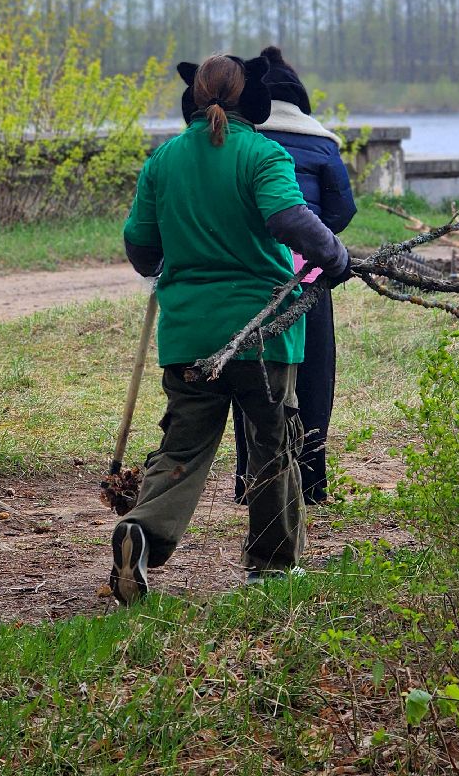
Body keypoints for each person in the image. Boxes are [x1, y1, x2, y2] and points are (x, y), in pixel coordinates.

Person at [110, 53, 350, 604]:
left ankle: (141, 533)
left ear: (195, 99)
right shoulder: (264, 154)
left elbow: (142, 249)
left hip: (189, 334)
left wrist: (172, 258)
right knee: (273, 445)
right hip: (261, 335)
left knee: (183, 448)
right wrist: (337, 259)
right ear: (252, 101)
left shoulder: (163, 160)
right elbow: (289, 220)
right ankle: (270, 567)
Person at [233, 45, 357, 505]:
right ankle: (311, 483)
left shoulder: (242, 143)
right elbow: (342, 212)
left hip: (250, 280)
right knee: (313, 381)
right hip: (308, 280)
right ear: (302, 100)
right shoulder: (322, 144)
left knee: (250, 378)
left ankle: (251, 482)